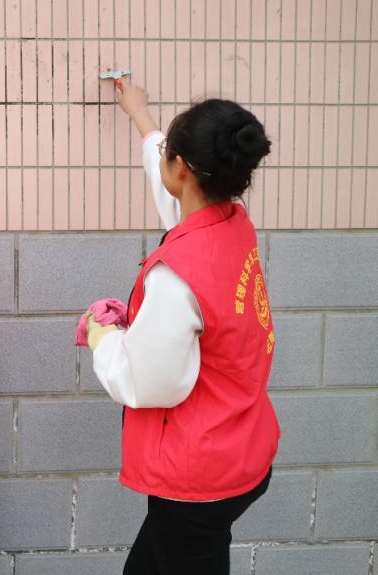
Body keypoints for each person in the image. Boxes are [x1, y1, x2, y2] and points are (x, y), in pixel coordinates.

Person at [82, 78, 280, 575]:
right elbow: (175, 195)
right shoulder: (233, 223)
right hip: (240, 447)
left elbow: (148, 383)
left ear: (185, 168)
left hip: (200, 479)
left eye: (168, 151)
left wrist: (102, 336)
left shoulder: (176, 276)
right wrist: (140, 116)